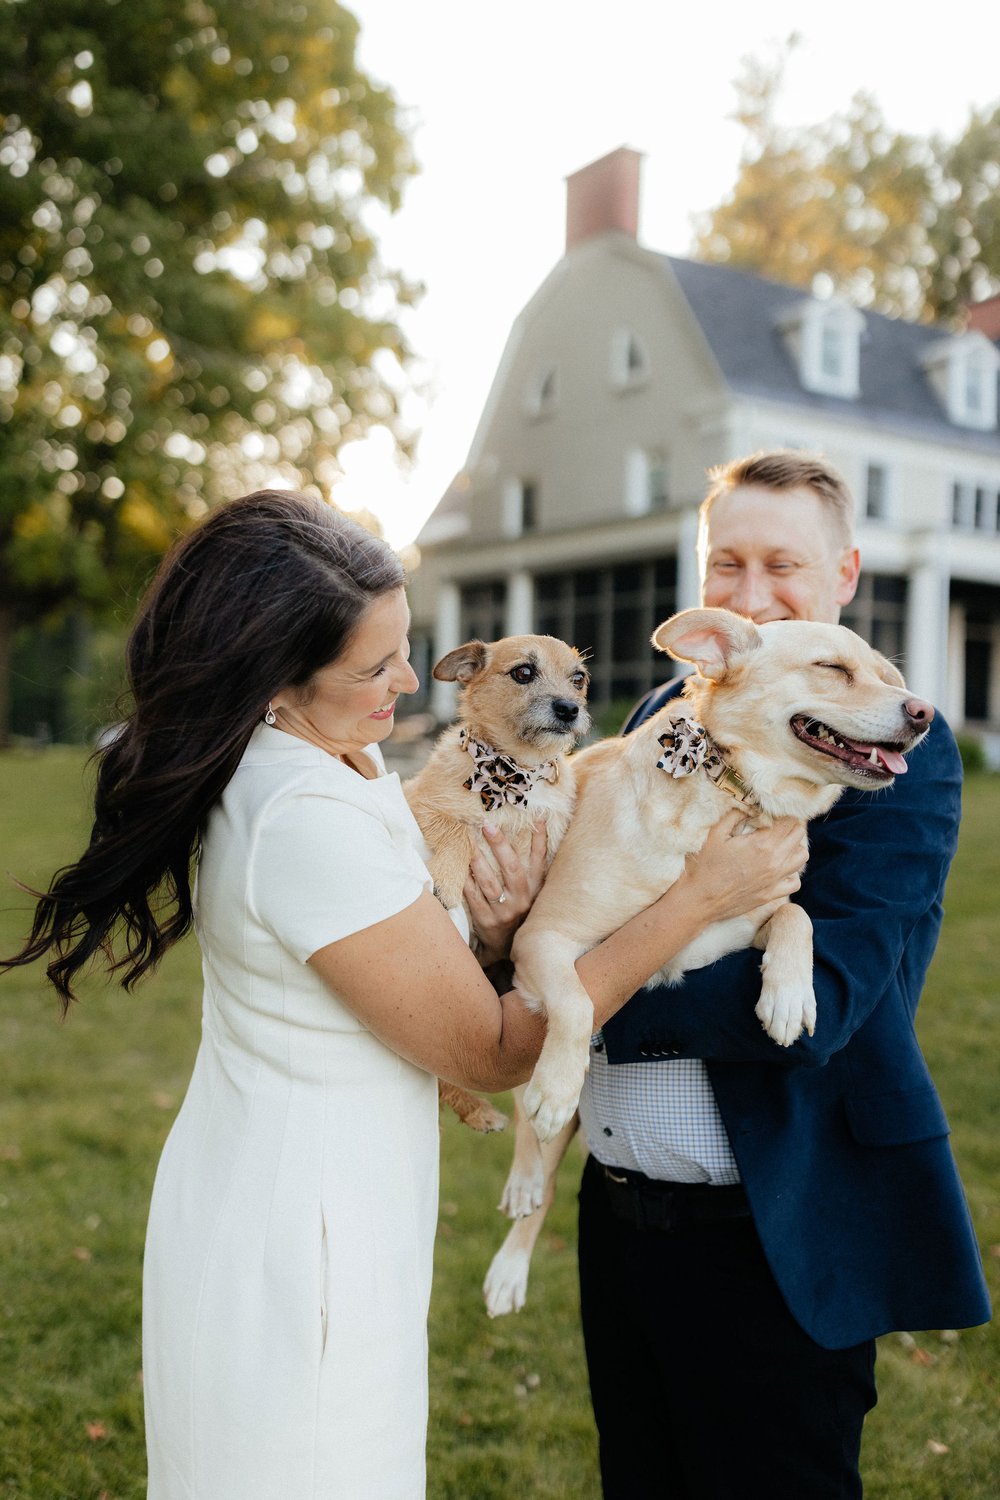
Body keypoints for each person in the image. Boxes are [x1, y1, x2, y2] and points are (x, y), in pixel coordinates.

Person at [1, 489, 808, 1500]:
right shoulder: (302, 815)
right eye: (370, 665)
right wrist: (694, 899)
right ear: (271, 674)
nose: (407, 678)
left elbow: (413, 955)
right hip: (302, 1245)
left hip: (306, 1204)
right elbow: (495, 1052)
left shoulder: (320, 753)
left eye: (404, 647)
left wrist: (509, 930)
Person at [576, 450, 992, 1500]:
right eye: (726, 565)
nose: (749, 595)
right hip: (619, 1217)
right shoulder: (668, 713)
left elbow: (825, 1004)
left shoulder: (890, 743)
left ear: (844, 575)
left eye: (782, 566)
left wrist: (581, 1005)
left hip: (771, 1231)